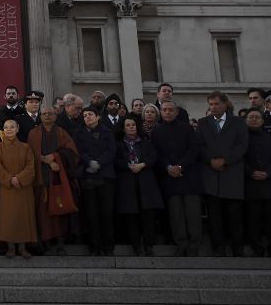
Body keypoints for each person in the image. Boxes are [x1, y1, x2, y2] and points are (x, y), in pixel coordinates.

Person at [197, 91, 248, 256]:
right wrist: (210, 160)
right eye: (210, 104)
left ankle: (237, 247)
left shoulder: (238, 122)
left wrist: (225, 160)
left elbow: (242, 146)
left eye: (216, 104)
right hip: (211, 175)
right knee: (214, 216)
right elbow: (200, 145)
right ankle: (218, 247)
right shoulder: (203, 123)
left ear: (225, 104)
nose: (213, 107)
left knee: (234, 216)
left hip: (231, 174)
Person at [150, 100, 203, 257]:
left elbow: (194, 150)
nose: (167, 112)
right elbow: (155, 154)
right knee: (176, 215)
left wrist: (180, 167)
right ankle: (181, 244)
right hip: (169, 179)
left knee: (193, 214)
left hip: (189, 178)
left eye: (170, 110)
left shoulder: (187, 128)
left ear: (176, 112)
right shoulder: (156, 131)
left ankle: (194, 246)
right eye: (164, 110)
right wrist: (168, 168)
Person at [28, 107, 79, 255]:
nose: (47, 116)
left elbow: (72, 152)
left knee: (59, 210)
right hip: (40, 179)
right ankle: (44, 241)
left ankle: (60, 242)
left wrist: (56, 157)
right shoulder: (33, 133)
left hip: (58, 179)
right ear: (40, 117)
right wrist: (44, 160)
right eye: (44, 114)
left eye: (50, 114)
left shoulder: (62, 132)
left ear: (56, 117)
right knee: (42, 212)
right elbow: (29, 154)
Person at [114, 113, 163, 256]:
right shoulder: (118, 144)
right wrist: (127, 165)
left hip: (145, 182)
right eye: (128, 125)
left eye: (133, 125)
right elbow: (115, 160)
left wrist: (143, 164)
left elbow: (153, 157)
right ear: (123, 128)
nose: (131, 127)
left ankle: (149, 246)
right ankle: (137, 246)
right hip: (127, 183)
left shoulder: (145, 141)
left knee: (148, 216)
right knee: (131, 217)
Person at [74, 107, 116, 256]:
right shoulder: (79, 133)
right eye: (85, 115)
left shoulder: (107, 132)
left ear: (98, 117)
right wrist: (89, 162)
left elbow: (111, 151)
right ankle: (94, 246)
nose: (87, 117)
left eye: (90, 114)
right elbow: (78, 151)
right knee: (91, 214)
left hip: (105, 176)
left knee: (106, 213)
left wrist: (99, 162)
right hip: (88, 176)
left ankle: (108, 246)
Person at [243, 109, 271, 257]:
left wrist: (267, 173)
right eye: (251, 117)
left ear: (262, 121)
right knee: (253, 219)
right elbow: (240, 159)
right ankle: (257, 247)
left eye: (257, 117)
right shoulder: (242, 139)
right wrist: (250, 172)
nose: (254, 119)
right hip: (250, 185)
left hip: (270, 185)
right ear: (246, 120)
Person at [0, 118, 36, 258]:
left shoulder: (26, 147)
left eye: (12, 127)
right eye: (6, 127)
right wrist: (10, 179)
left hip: (23, 188)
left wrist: (20, 178)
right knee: (8, 218)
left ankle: (23, 248)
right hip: (7, 188)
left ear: (17, 129)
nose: (9, 129)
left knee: (23, 217)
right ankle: (10, 247)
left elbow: (30, 167)